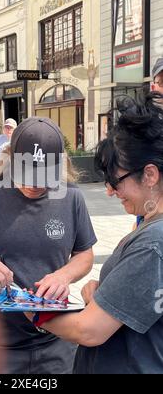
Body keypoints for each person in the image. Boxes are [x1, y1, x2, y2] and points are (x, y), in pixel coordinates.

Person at [0, 117, 97, 374]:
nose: (34, 185)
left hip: (56, 340)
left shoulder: (71, 197)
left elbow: (85, 254)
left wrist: (64, 275)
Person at [24, 94, 163, 374]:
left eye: (115, 180)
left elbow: (89, 330)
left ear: (149, 175)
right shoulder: (151, 228)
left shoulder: (153, 243)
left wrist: (31, 309)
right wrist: (101, 295)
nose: (110, 191)